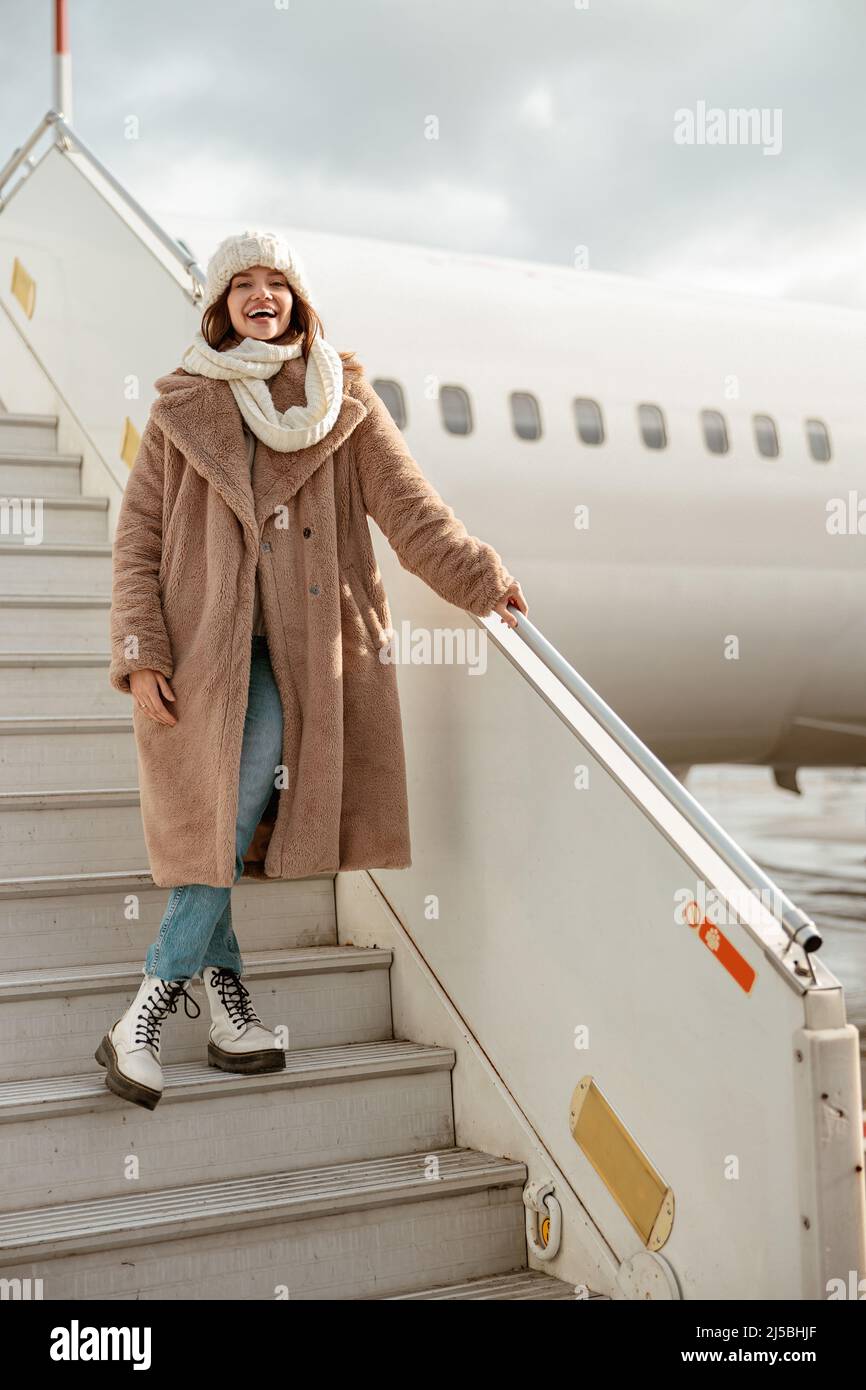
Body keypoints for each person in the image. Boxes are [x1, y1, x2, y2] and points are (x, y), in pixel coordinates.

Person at [101, 229, 527, 1110]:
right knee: (216, 825)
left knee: (222, 819)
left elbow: (412, 515)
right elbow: (138, 541)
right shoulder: (182, 407)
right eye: (245, 285)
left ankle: (149, 1012)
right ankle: (219, 1014)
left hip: (306, 661)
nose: (265, 297)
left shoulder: (344, 399)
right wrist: (139, 653)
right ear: (220, 307)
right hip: (200, 658)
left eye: (280, 284)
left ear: (298, 301)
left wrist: (481, 578)